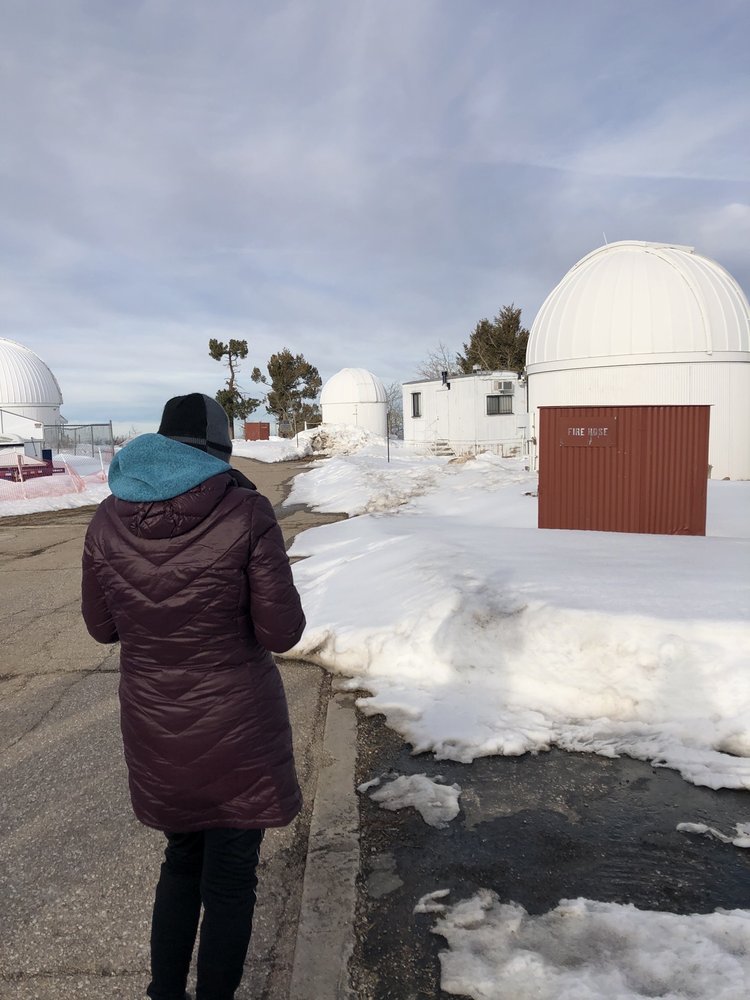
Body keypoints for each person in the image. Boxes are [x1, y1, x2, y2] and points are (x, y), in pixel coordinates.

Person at [81, 393, 305, 1000]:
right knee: (230, 880)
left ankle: (164, 994)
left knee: (181, 864)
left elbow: (103, 628)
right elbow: (282, 634)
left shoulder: (107, 517)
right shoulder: (247, 511)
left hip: (158, 727)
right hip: (239, 730)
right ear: (219, 450)